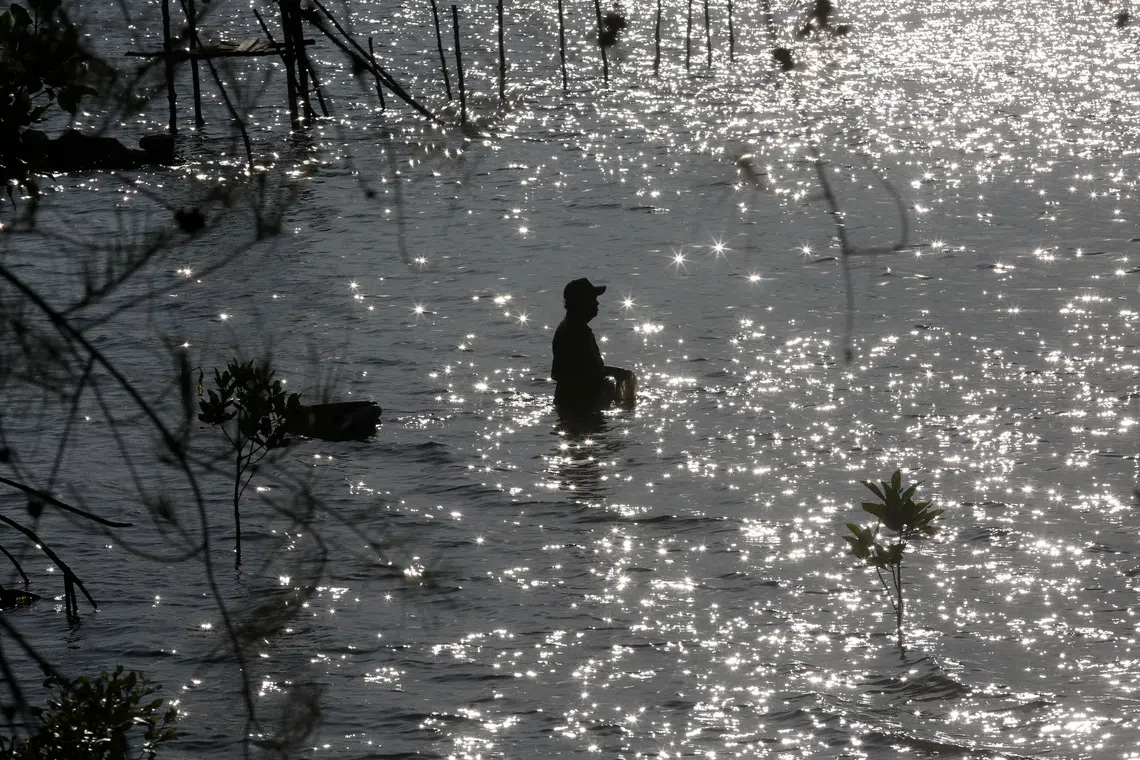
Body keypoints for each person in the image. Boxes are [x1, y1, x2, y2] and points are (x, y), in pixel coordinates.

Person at [551, 278, 634, 415]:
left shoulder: (570, 327)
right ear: (582, 302)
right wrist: (618, 374)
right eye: (593, 298)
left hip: (569, 401)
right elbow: (590, 372)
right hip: (582, 403)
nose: (597, 302)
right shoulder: (577, 332)